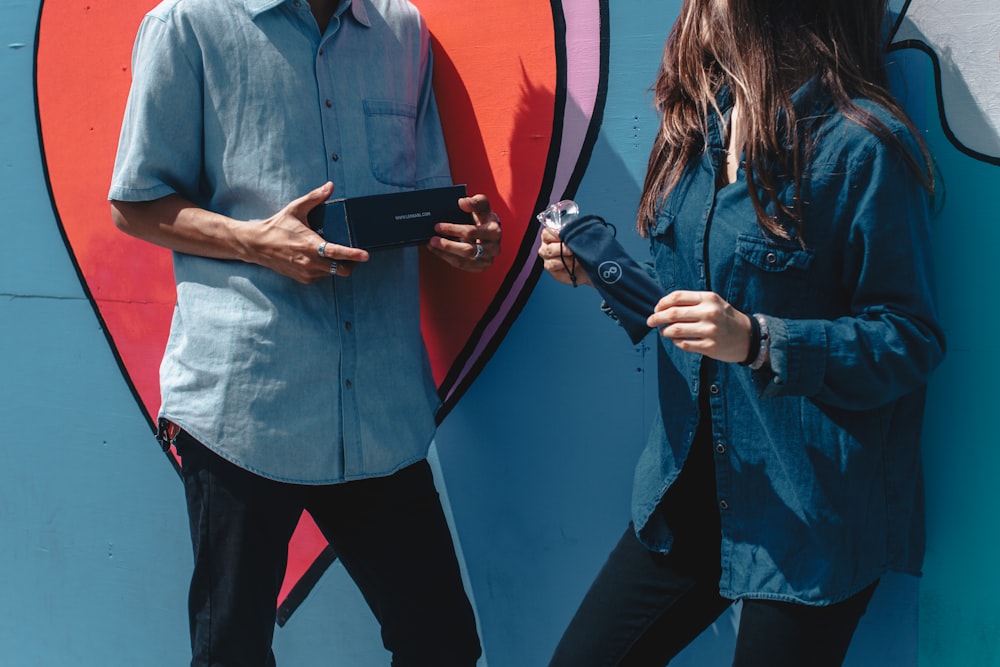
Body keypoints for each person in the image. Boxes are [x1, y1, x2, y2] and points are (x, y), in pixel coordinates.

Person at [538, 0, 944, 664]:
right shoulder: (698, 129)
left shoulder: (862, 145)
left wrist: (761, 340)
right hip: (689, 492)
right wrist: (602, 275)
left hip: (809, 511)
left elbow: (909, 337)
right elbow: (693, 296)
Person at [108, 0, 500, 665]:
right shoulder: (188, 25)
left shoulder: (400, 32)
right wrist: (255, 241)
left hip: (380, 412)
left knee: (442, 645)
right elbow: (136, 202)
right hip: (248, 410)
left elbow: (429, 196)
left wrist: (467, 240)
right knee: (232, 651)